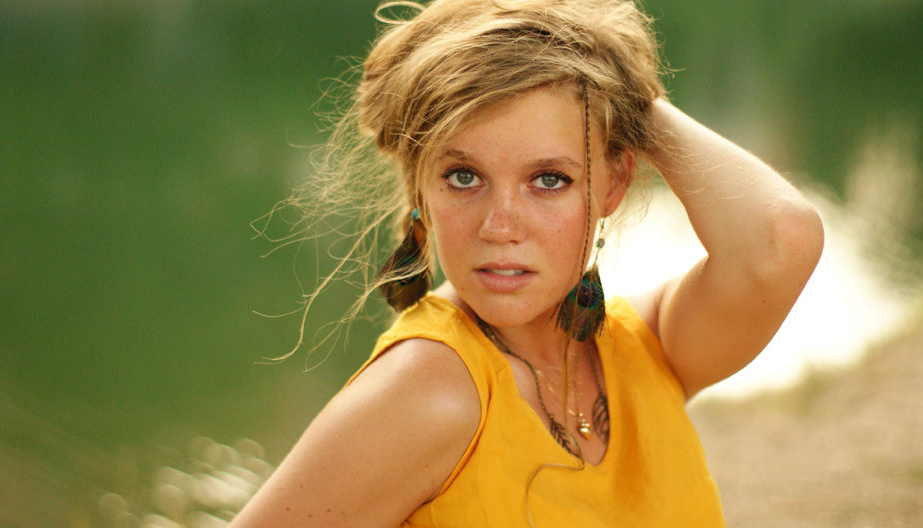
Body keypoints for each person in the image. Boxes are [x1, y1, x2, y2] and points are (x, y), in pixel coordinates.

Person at [232, 0, 824, 526]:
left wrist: (612, 82)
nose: (500, 226)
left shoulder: (643, 351)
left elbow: (782, 241)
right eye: (463, 176)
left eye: (549, 179)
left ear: (614, 183)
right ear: (421, 186)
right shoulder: (427, 390)